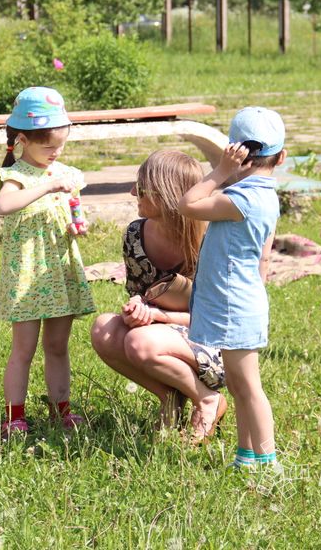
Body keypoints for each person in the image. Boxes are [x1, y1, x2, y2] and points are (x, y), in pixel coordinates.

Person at [91, 150, 228, 441]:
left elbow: (221, 316)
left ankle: (207, 400)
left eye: (141, 188)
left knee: (141, 341)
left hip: (217, 345)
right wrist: (138, 306)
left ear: (166, 194)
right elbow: (140, 293)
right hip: (163, 333)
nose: (132, 192)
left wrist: (158, 316)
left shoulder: (211, 240)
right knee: (104, 328)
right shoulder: (135, 235)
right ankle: (170, 400)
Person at [178, 106, 284, 471]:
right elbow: (264, 258)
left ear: (234, 151)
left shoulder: (241, 199)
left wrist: (220, 172)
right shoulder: (264, 195)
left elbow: (188, 204)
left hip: (234, 304)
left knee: (249, 387)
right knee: (239, 386)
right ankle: (246, 456)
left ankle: (269, 461)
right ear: (281, 157)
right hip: (242, 298)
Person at [0, 87, 95, 438]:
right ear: (23, 140)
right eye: (48, 147)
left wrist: (76, 223)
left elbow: (73, 209)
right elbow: (4, 206)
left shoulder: (66, 173)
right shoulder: (16, 176)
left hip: (58, 272)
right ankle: (13, 415)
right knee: (23, 349)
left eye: (61, 146)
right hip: (28, 275)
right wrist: (47, 187)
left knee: (57, 346)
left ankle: (60, 409)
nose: (56, 153)